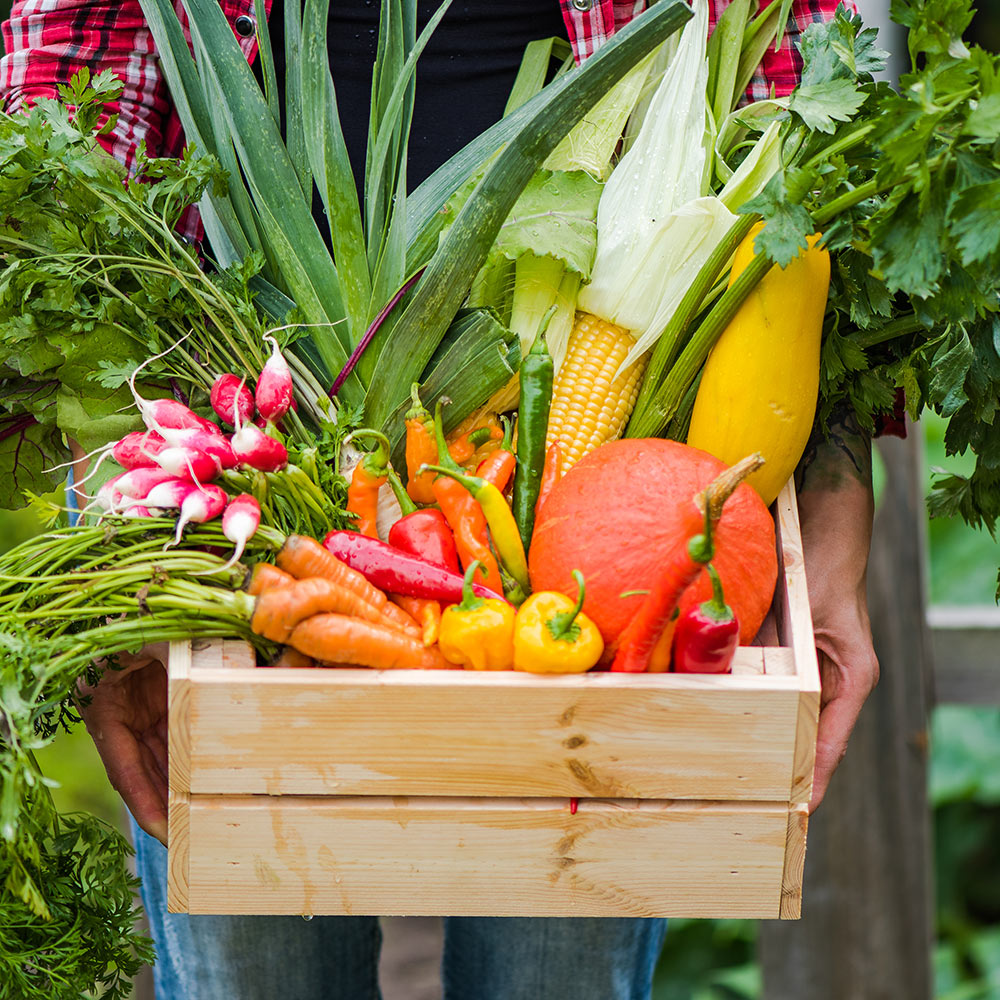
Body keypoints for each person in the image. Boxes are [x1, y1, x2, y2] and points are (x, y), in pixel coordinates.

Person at [1, 2, 880, 998]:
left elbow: (804, 144)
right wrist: (129, 527)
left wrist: (833, 544)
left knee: (559, 975)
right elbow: (78, 68)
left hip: (613, 426)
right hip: (227, 427)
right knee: (252, 975)